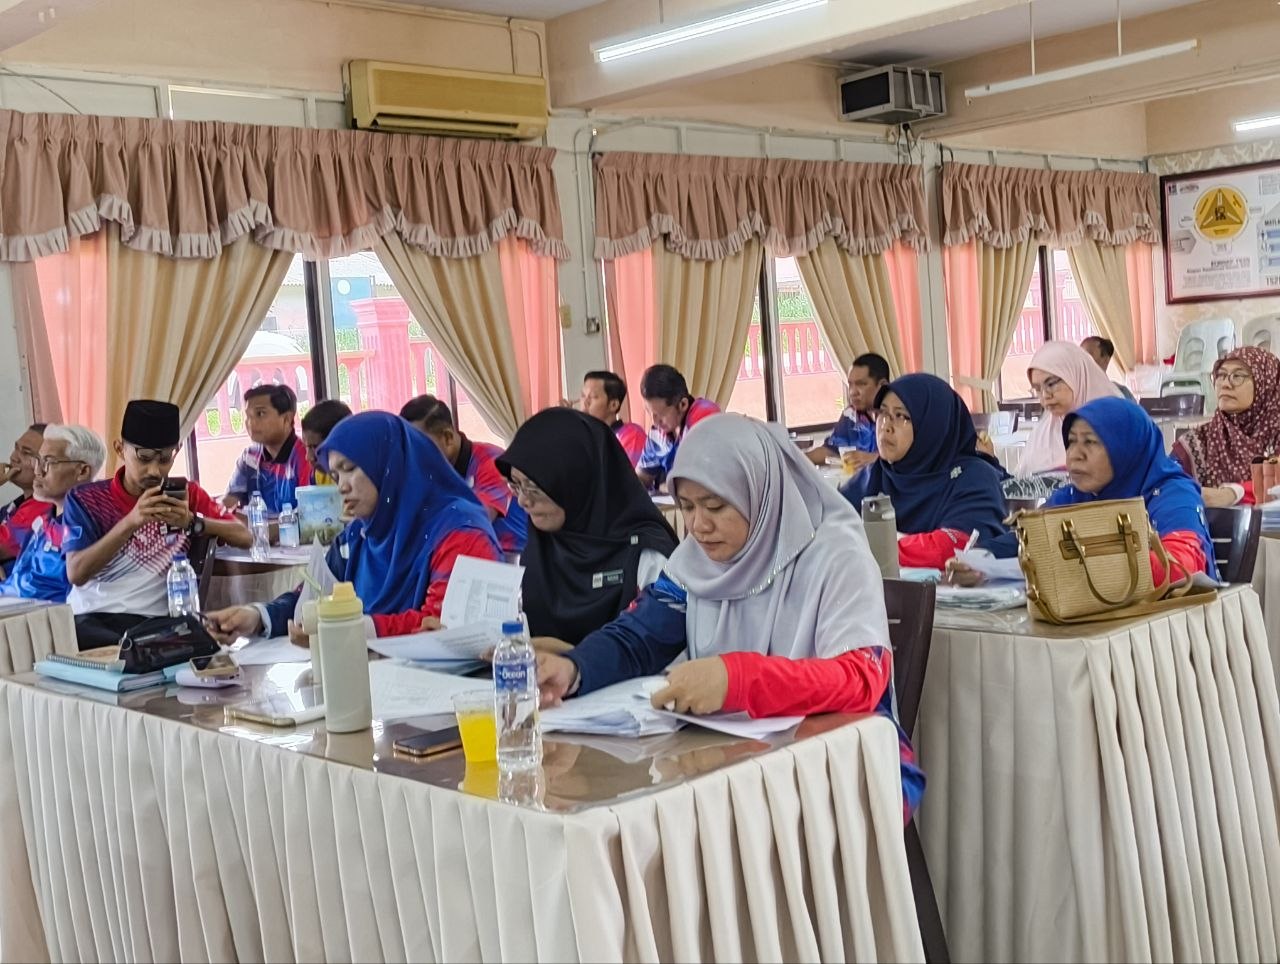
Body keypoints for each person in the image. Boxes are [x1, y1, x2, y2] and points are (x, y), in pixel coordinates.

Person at [535, 414, 924, 816]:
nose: (699, 526)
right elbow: (639, 636)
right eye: (686, 507)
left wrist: (738, 679)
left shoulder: (836, 554)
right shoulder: (696, 562)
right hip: (733, 748)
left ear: (758, 490)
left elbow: (861, 678)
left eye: (716, 506)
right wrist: (575, 668)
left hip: (845, 751)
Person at [205, 411, 501, 643]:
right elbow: (315, 594)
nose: (342, 487)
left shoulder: (459, 531)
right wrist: (257, 616)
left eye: (350, 470)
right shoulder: (359, 534)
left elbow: (445, 628)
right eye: (336, 476)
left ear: (390, 464)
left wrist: (345, 630)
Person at [947, 398, 1214, 586]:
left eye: (1091, 442)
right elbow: (1026, 539)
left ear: (1127, 448)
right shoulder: (1076, 496)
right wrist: (979, 559)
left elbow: (1183, 565)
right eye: (1071, 442)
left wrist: (1089, 566)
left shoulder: (1171, 494)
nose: (1075, 455)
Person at [64, 400, 252, 649]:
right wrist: (132, 521)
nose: (154, 470)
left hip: (155, 625)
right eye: (144, 458)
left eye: (164, 459)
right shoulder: (87, 500)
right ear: (120, 449)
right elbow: (76, 573)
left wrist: (192, 522)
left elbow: (245, 536)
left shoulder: (187, 495)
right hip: (89, 619)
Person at [496, 408, 679, 647]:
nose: (522, 501)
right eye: (516, 485)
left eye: (533, 487)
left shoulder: (646, 555)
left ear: (577, 481)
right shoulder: (541, 545)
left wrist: (569, 658)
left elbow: (663, 648)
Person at [840, 374, 1012, 570]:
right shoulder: (875, 474)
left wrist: (866, 549)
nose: (885, 426)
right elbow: (826, 523)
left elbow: (955, 546)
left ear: (932, 424)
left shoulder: (974, 476)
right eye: (882, 413)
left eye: (901, 416)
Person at [401, 394, 528, 558]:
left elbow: (475, 520)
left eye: (419, 446)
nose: (413, 455)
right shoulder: (430, 470)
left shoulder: (491, 461)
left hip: (513, 560)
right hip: (469, 556)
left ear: (448, 437)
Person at [0, 425, 105, 602]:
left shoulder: (87, 526)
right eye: (38, 461)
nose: (38, 471)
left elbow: (45, 594)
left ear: (82, 471)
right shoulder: (42, 522)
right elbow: (18, 582)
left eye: (49, 462)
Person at [1172, 346, 1280, 507]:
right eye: (1221, 375)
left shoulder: (1276, 437)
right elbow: (1165, 486)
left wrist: (1233, 494)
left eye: (1238, 376)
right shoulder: (1197, 442)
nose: (1225, 384)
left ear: (1266, 383)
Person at [1018, 341, 1121, 476]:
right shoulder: (1043, 432)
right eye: (1037, 389)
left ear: (1076, 376)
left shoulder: (1117, 421)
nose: (1045, 396)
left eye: (1051, 384)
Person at [223, 384, 312, 513]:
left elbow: (308, 513)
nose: (250, 423)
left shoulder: (306, 457)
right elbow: (229, 501)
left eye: (260, 414)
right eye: (248, 416)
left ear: (287, 419)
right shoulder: (249, 457)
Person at [635, 364, 721, 489]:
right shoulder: (657, 433)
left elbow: (707, 476)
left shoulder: (705, 418)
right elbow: (643, 476)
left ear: (683, 404)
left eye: (661, 415)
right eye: (650, 413)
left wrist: (669, 486)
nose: (655, 422)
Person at [806, 353, 891, 470]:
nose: (852, 392)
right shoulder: (851, 415)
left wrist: (873, 458)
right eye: (850, 384)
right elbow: (830, 450)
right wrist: (794, 459)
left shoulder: (899, 416)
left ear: (882, 386)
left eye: (861, 384)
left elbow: (909, 457)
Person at [0, 423, 49, 562]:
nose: (14, 458)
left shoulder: (43, 508)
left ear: (47, 466)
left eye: (26, 453)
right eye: (16, 448)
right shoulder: (13, 506)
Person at [578, 370, 647, 468]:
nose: (585, 402)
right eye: (583, 396)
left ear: (613, 405)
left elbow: (626, 476)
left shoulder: (631, 435)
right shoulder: (584, 438)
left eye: (593, 397)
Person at [300, 399, 352, 485]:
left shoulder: (360, 478)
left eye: (315, 447)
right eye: (306, 447)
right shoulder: (317, 475)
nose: (308, 457)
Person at [1081, 335, 1136, 401]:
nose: (1083, 359)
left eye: (1089, 354)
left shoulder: (1122, 393)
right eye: (1081, 354)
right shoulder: (1074, 392)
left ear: (1105, 360)